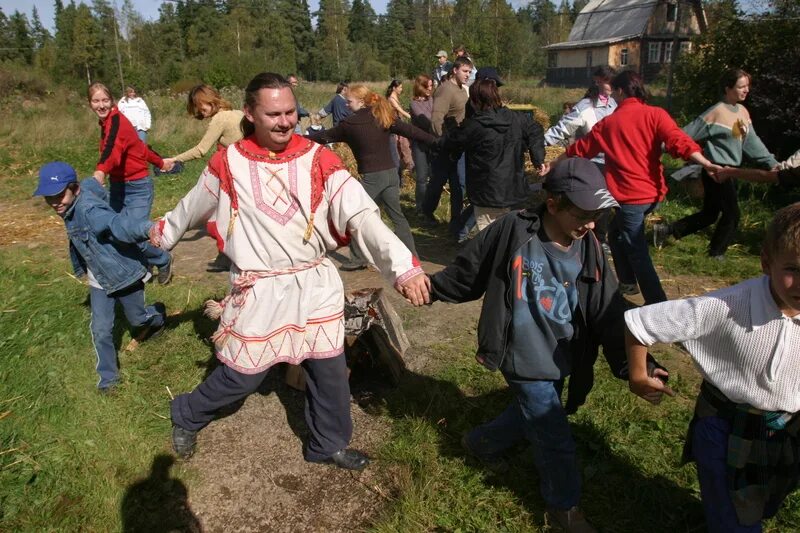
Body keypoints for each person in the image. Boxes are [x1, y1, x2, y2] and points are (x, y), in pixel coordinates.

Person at [154, 73, 431, 470]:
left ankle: (327, 443)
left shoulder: (319, 160)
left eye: (290, 112)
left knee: (330, 369)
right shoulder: (228, 163)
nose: (286, 121)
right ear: (249, 113)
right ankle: (186, 412)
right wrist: (162, 235)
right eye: (274, 114)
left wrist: (403, 268)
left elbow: (361, 215)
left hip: (313, 283)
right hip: (261, 289)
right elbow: (192, 204)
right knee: (242, 375)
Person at [429, 158, 665, 533]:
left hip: (562, 354)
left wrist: (638, 364)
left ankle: (481, 442)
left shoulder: (589, 247)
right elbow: (468, 270)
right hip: (521, 353)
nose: (591, 224)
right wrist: (429, 289)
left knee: (534, 412)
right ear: (553, 203)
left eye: (598, 215)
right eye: (584, 214)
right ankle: (564, 508)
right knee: (553, 435)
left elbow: (607, 310)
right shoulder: (513, 231)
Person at [624, 202, 800, 533]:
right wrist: (637, 376)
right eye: (793, 269)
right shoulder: (728, 305)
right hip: (727, 427)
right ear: (766, 262)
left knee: (765, 502)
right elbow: (639, 323)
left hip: (787, 432)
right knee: (737, 522)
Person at [563, 71, 720, 304]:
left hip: (631, 198)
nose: (611, 97)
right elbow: (680, 141)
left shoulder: (609, 123)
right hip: (651, 195)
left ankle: (657, 303)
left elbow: (580, 149)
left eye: (613, 92)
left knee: (636, 250)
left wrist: (554, 164)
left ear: (619, 91)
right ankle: (627, 284)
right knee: (616, 235)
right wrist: (706, 163)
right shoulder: (656, 114)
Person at [33, 161, 166, 393]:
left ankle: (156, 315)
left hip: (123, 275)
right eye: (48, 198)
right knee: (101, 329)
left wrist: (148, 228)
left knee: (137, 320)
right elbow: (93, 181)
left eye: (58, 196)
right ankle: (108, 380)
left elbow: (117, 224)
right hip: (100, 279)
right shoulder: (76, 198)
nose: (54, 203)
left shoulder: (89, 211)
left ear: (74, 189)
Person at [306, 84, 436, 271]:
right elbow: (411, 131)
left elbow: (324, 136)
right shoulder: (382, 117)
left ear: (360, 101)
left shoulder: (350, 125)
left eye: (349, 101)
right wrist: (436, 141)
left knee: (354, 216)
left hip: (372, 178)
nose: (347, 105)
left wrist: (299, 139)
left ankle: (358, 258)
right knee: (398, 217)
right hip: (391, 174)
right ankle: (412, 257)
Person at [653, 69, 778, 259]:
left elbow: (752, 144)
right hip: (716, 170)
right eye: (741, 86)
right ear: (728, 88)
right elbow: (684, 135)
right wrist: (659, 147)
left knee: (710, 214)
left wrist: (773, 164)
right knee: (732, 214)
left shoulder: (742, 112)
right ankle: (716, 254)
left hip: (731, 171)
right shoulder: (716, 112)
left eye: (747, 86)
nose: (746, 90)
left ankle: (667, 230)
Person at [439, 67, 545, 231]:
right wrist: (538, 158)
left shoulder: (475, 125)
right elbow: (536, 129)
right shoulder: (515, 118)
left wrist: (451, 126)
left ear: (475, 99)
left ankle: (466, 237)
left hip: (487, 194)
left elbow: (454, 142)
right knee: (511, 236)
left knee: (489, 238)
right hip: (512, 190)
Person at [88, 82, 174, 285]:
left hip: (137, 187)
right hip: (118, 187)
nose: (101, 105)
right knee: (112, 232)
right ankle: (143, 266)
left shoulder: (116, 121)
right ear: (90, 103)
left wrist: (100, 172)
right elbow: (138, 147)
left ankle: (162, 259)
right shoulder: (107, 122)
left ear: (112, 101)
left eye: (105, 100)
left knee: (128, 234)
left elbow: (112, 150)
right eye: (96, 101)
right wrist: (160, 162)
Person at [161, 85, 246, 272]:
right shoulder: (238, 113)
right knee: (232, 214)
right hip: (244, 171)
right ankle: (225, 257)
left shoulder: (220, 118)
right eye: (198, 107)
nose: (201, 110)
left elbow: (201, 150)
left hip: (232, 172)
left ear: (210, 99)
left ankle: (164, 239)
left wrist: (174, 159)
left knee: (218, 212)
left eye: (201, 105)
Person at [545, 66, 617, 246]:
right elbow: (562, 128)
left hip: (612, 163)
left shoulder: (614, 105)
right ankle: (593, 242)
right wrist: (538, 144)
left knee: (607, 206)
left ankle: (599, 241)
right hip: (591, 164)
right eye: (609, 82)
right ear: (598, 81)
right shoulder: (586, 106)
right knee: (594, 204)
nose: (613, 86)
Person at [423, 56, 473, 239]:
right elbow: (437, 118)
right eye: (465, 71)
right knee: (438, 182)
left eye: (469, 71)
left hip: (458, 144)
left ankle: (455, 222)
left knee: (459, 184)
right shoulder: (445, 90)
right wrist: (442, 141)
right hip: (446, 146)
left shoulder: (461, 89)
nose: (468, 75)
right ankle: (426, 211)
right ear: (455, 70)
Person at [410, 74, 435, 213]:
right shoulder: (414, 104)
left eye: (431, 85)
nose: (430, 88)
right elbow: (425, 121)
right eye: (428, 86)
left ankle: (428, 207)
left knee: (432, 175)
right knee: (421, 177)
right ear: (421, 86)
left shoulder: (431, 99)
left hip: (432, 142)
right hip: (420, 144)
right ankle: (420, 207)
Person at [386, 79, 414, 175]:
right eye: (400, 87)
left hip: (399, 125)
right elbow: (400, 111)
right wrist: (412, 117)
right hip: (395, 126)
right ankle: (409, 167)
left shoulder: (395, 97)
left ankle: (406, 168)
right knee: (404, 145)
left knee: (403, 146)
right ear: (394, 88)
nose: (401, 89)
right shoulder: (391, 99)